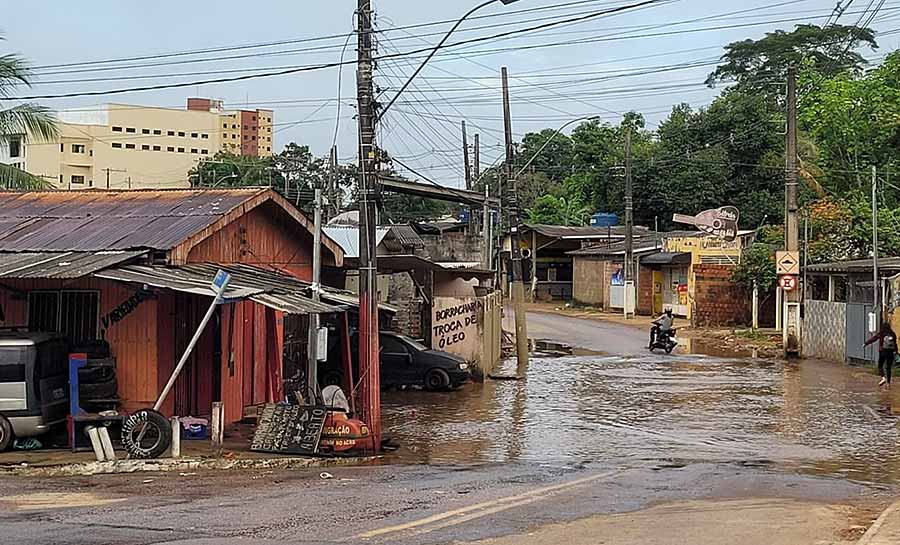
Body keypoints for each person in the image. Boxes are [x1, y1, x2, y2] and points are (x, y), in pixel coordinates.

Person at [865, 321, 897, 388]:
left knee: (880, 366)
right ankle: (888, 383)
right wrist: (895, 351)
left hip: (882, 352)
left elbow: (874, 338)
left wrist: (866, 343)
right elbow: (895, 344)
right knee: (888, 368)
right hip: (890, 352)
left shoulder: (881, 333)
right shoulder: (893, 334)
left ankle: (883, 378)